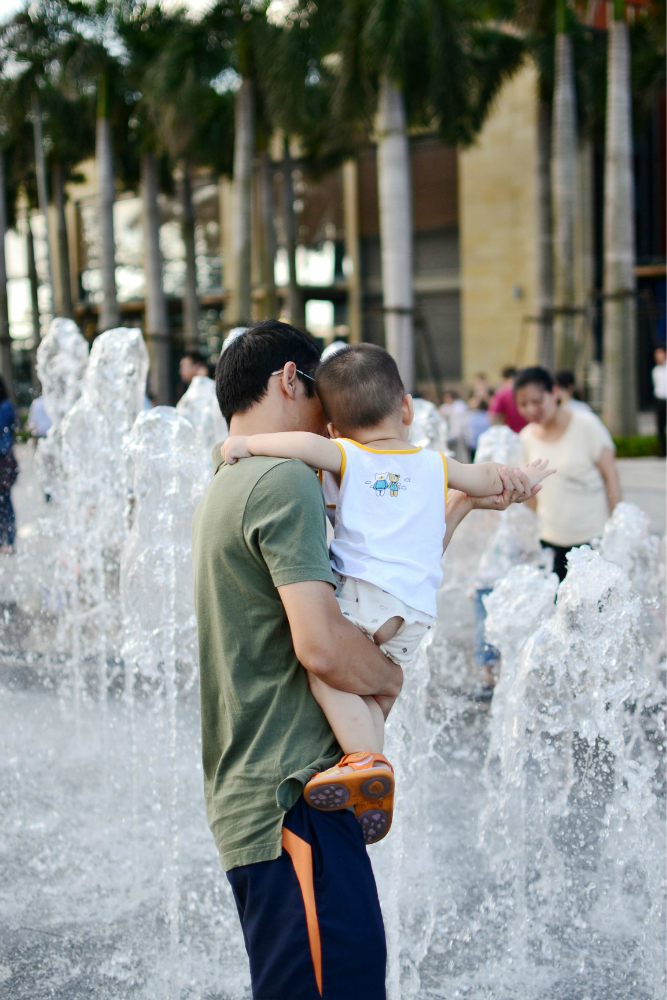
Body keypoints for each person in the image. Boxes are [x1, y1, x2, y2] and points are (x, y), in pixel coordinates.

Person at [192, 320, 542, 1000]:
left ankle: (366, 760)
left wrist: (459, 505)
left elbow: (384, 580)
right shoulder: (283, 479)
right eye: (322, 391)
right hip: (293, 797)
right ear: (289, 380)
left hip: (282, 796)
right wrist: (391, 677)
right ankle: (369, 759)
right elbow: (323, 645)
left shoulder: (233, 478)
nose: (335, 414)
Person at [222, 343, 552, 843]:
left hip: (365, 600)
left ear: (334, 429)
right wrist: (520, 480)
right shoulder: (435, 464)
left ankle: (365, 759)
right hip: (414, 614)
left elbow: (301, 446)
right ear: (407, 409)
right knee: (372, 694)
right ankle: (371, 779)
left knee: (325, 673)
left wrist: (247, 444)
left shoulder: (346, 455)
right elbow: (485, 479)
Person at [515, 366, 622, 582]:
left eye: (537, 401)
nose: (531, 409)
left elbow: (611, 477)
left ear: (554, 393)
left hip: (593, 539)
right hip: (549, 541)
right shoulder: (526, 438)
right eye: (523, 404)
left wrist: (617, 528)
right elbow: (530, 494)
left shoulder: (586, 425)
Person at [0, 375, 17, 554]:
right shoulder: (7, 405)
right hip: (6, 458)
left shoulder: (4, 407)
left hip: (3, 459)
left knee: (4, 500)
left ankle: (9, 540)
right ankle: (6, 540)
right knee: (5, 500)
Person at [488, 365, 528, 433]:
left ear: (503, 379)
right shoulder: (526, 389)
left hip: (510, 434)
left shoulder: (501, 392)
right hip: (528, 431)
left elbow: (492, 415)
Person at [652, 346, 666, 458]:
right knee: (660, 427)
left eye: (660, 353)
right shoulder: (655, 370)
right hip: (659, 401)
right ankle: (663, 451)